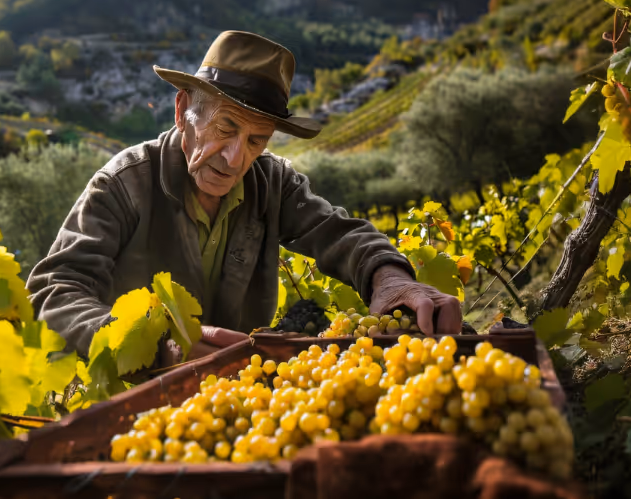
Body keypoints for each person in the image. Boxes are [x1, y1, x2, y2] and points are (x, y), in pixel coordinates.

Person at [27, 30, 461, 363]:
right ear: (183, 112)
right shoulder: (123, 185)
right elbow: (53, 293)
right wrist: (153, 343)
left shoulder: (270, 182)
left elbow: (338, 232)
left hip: (235, 395)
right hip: (135, 397)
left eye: (257, 140)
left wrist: (389, 278)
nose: (236, 160)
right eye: (225, 129)